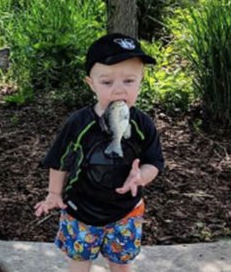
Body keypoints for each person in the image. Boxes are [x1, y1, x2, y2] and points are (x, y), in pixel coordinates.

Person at [34, 33, 164, 272]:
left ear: (141, 81)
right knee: (80, 262)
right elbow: (59, 160)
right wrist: (54, 193)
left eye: (129, 81)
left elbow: (154, 160)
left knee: (121, 264)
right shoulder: (78, 123)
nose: (118, 90)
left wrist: (141, 176)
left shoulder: (142, 124)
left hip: (126, 211)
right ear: (90, 83)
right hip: (81, 210)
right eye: (107, 82)